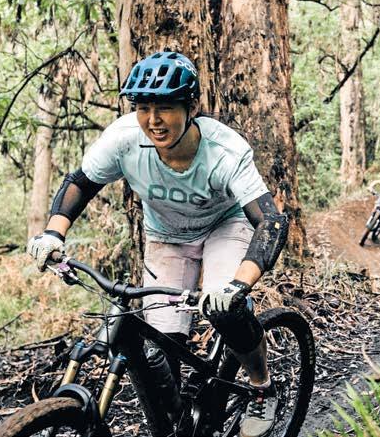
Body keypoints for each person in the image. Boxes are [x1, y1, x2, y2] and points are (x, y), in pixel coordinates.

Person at [25, 51, 286, 437]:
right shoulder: (125, 139)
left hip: (225, 226)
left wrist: (238, 284)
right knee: (163, 342)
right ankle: (181, 420)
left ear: (191, 107)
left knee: (226, 311)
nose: (153, 120)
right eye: (143, 108)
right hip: (167, 237)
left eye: (165, 107)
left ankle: (262, 386)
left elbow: (270, 221)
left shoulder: (224, 150)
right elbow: (81, 182)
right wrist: (53, 233)